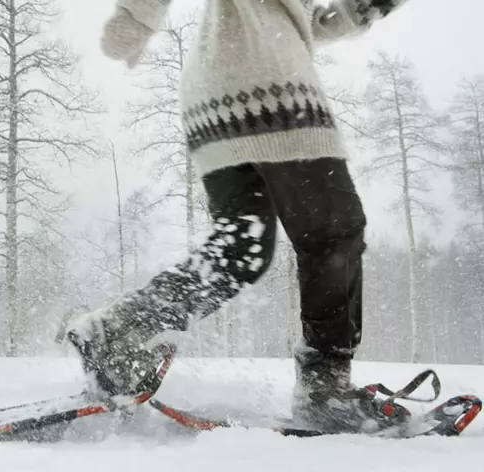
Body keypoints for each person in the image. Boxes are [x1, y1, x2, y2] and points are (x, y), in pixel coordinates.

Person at [65, 0, 411, 433]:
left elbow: (301, 22)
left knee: (241, 246)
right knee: (333, 231)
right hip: (272, 87)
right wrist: (136, 16)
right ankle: (327, 391)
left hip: (213, 98)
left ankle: (121, 330)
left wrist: (360, 10)